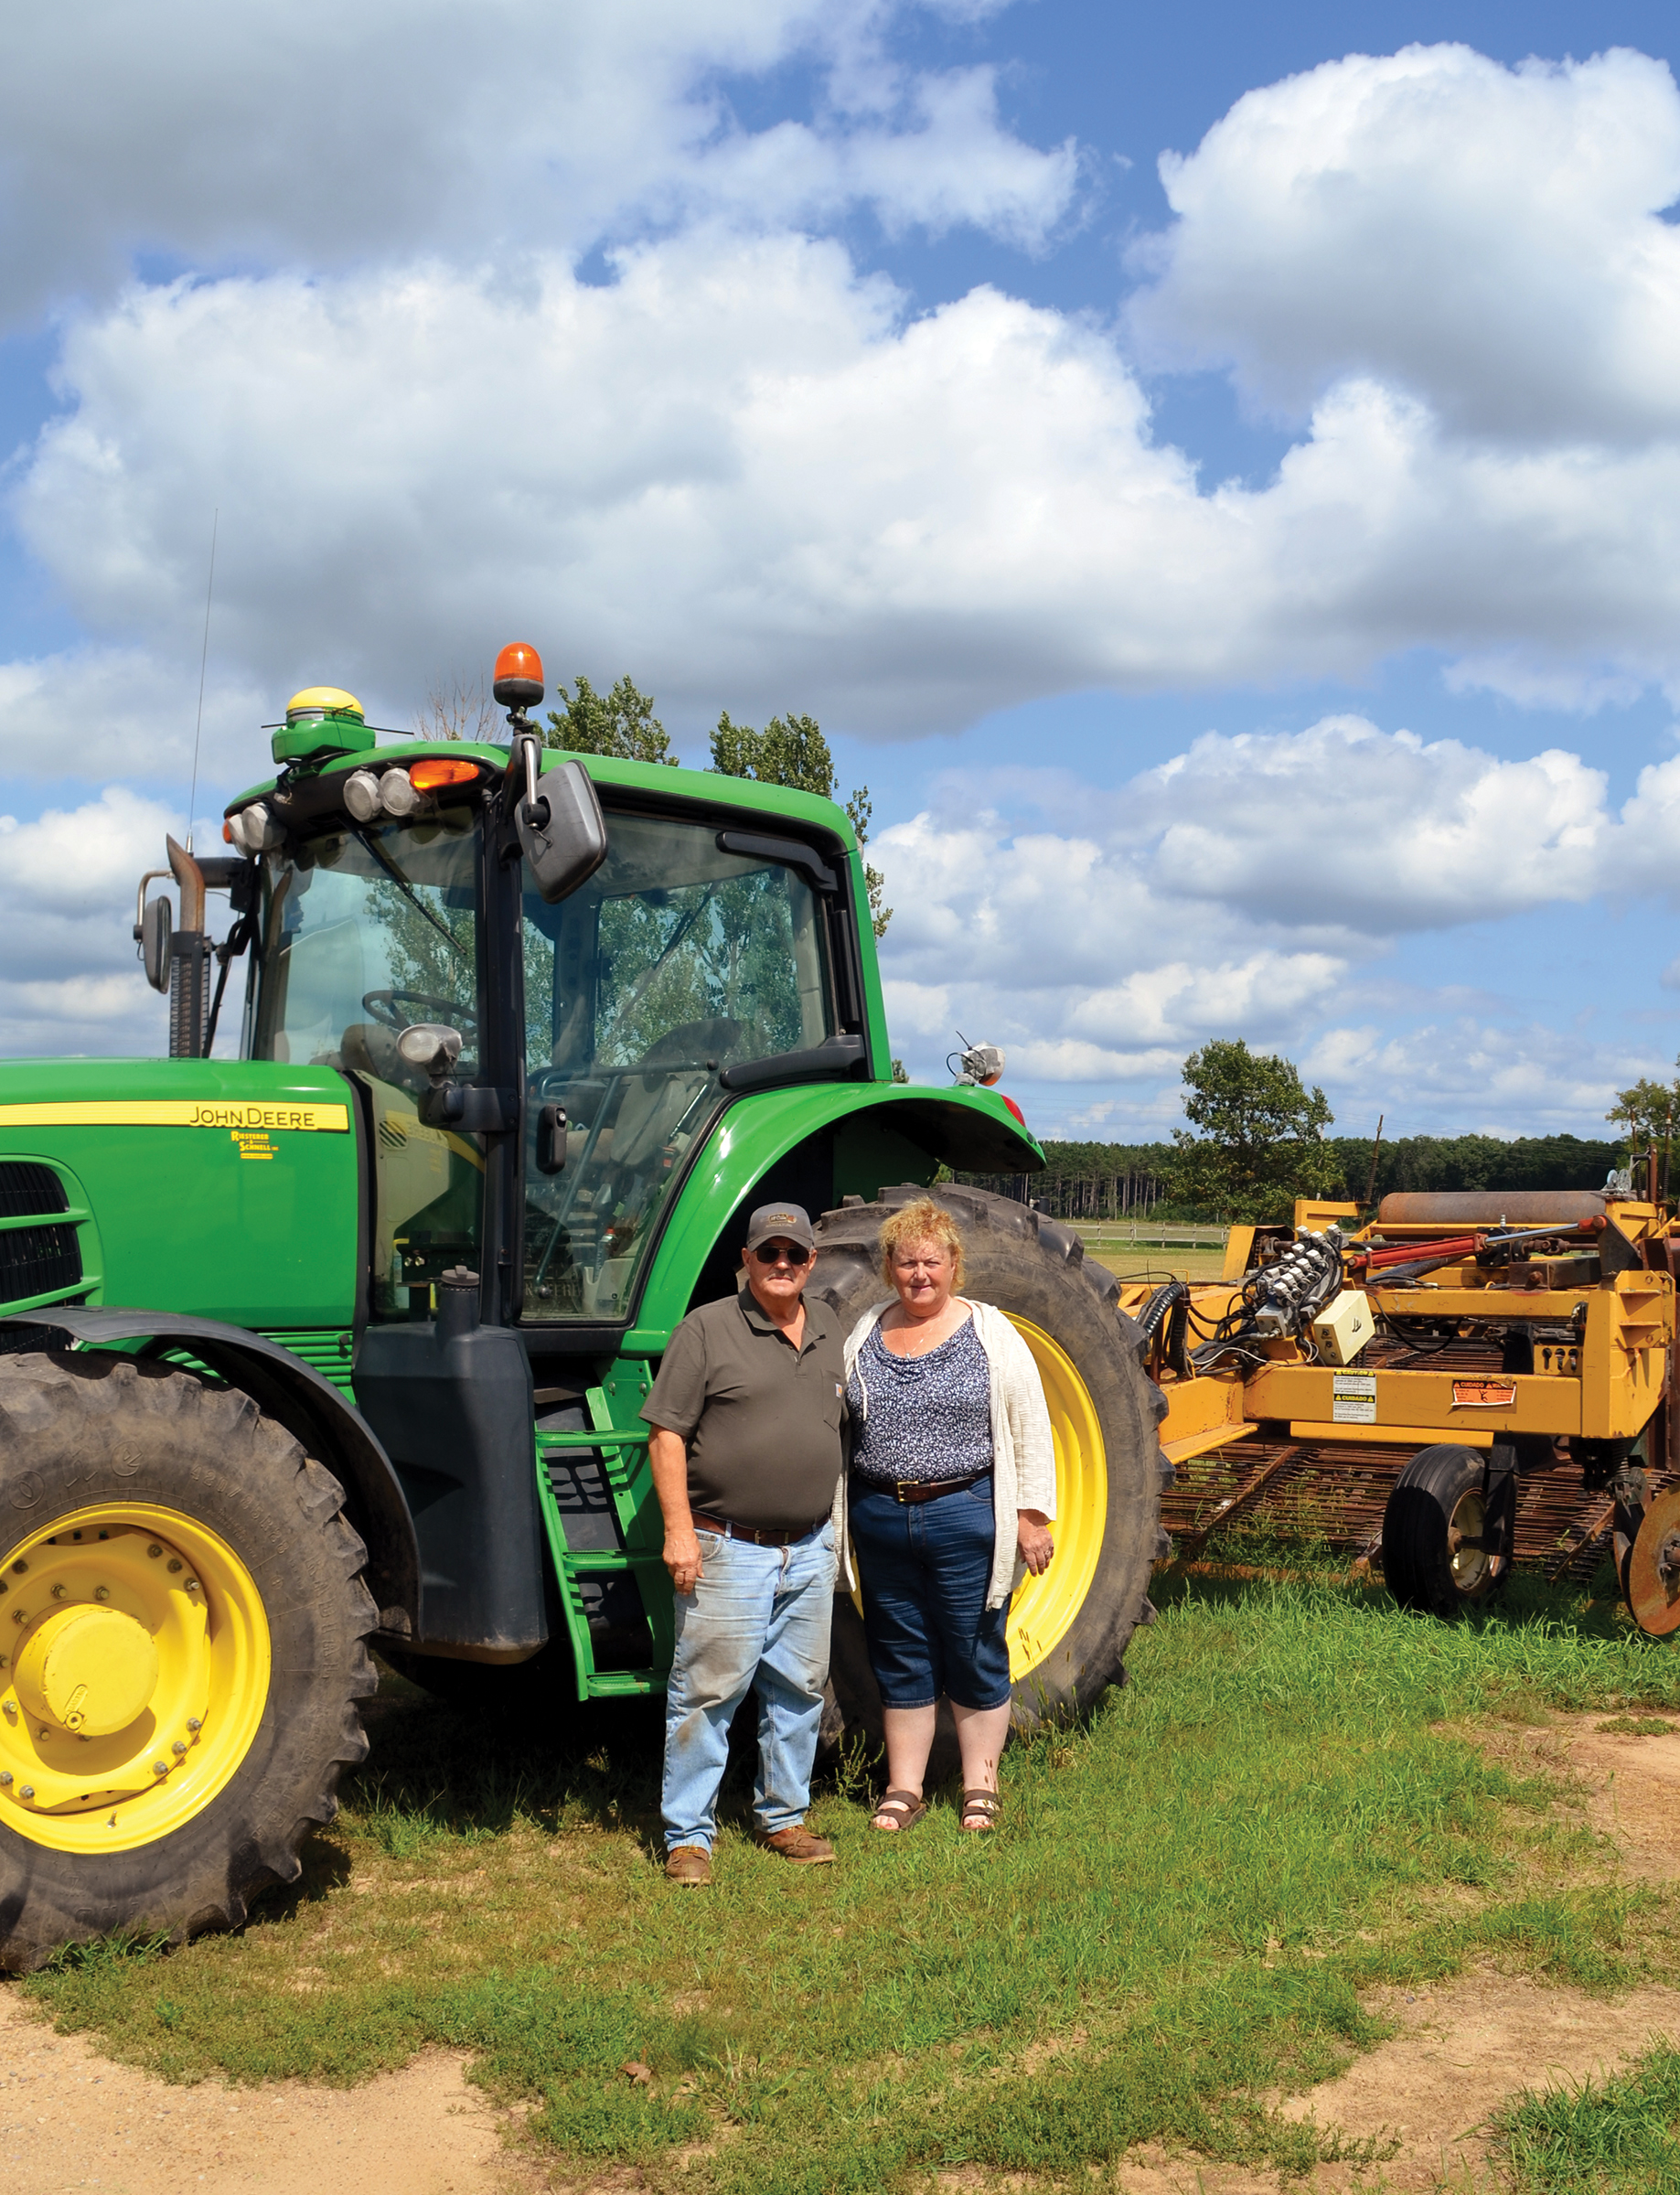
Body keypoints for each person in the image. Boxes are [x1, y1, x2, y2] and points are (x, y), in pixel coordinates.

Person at [642, 1201, 847, 1887]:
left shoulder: (829, 1326)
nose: (782, 1264)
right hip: (728, 1546)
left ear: (812, 1262)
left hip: (811, 1547)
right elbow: (666, 1433)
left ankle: (783, 1815)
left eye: (795, 1253)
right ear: (747, 1261)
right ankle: (688, 1836)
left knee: (799, 1689)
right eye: (769, 1253)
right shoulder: (706, 1329)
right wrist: (678, 1532)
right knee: (707, 1693)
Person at [840, 1196, 1054, 1834]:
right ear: (889, 1268)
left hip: (965, 1512)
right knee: (899, 1651)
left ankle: (978, 1786)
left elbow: (1029, 1424)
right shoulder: (865, 1332)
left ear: (953, 1264)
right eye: (906, 1263)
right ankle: (904, 1789)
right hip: (880, 1514)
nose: (919, 1275)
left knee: (971, 1646)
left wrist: (1030, 1514)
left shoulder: (989, 1332)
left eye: (931, 1261)